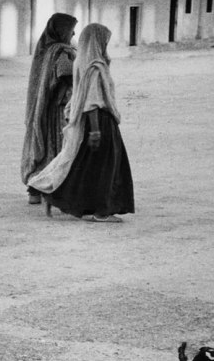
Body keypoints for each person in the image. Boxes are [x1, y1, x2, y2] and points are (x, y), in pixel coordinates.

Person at [27, 22, 134, 223]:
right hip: (100, 121)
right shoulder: (95, 67)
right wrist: (95, 131)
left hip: (86, 120)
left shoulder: (82, 62)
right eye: (104, 41)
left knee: (84, 165)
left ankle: (62, 197)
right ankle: (102, 211)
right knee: (107, 167)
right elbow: (93, 100)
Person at [21, 13, 77, 204]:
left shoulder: (44, 49)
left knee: (43, 146)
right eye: (71, 29)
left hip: (43, 107)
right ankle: (50, 190)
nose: (74, 33)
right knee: (57, 149)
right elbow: (64, 72)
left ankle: (34, 190)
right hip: (57, 109)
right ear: (62, 31)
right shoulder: (60, 51)